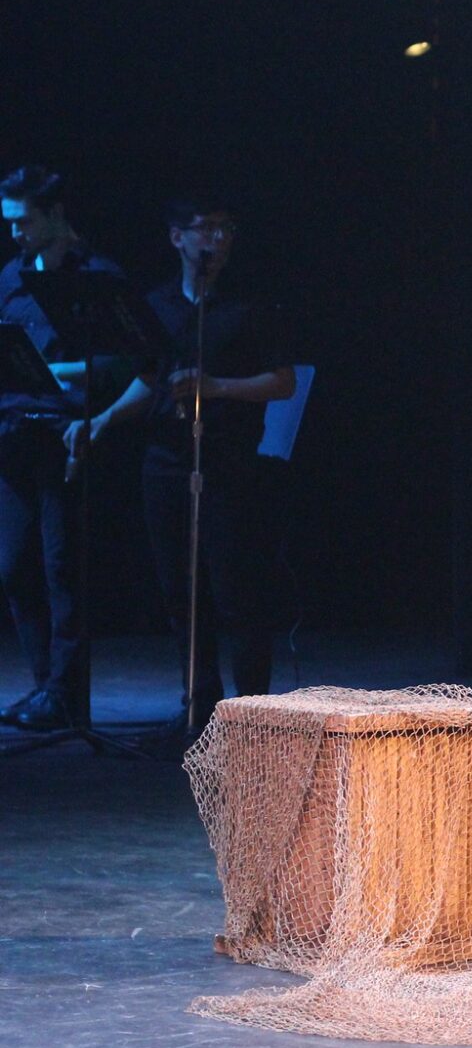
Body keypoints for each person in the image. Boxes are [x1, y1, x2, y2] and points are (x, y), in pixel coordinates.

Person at [93, 197, 294, 730]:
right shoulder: (157, 305)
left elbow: (283, 381)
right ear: (177, 237)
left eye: (227, 228)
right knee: (181, 591)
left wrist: (216, 388)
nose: (218, 239)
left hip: (230, 462)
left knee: (236, 590)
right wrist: (102, 420)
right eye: (206, 229)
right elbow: (149, 378)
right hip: (166, 461)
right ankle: (200, 707)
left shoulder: (248, 307)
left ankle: (254, 710)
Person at [0, 166, 124, 731]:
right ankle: (48, 687)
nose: (15, 234)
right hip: (15, 434)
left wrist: (48, 373)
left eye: (24, 222)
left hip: (66, 434)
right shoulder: (12, 275)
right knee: (15, 565)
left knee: (61, 568)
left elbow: (125, 358)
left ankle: (64, 693)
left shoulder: (96, 277)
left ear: (54, 215)